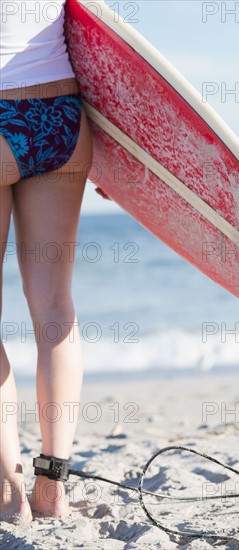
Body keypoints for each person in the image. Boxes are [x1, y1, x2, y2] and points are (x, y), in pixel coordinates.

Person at [0, 0, 93, 521]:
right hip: (63, 119)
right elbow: (102, 41)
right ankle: (52, 487)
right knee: (57, 310)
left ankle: (8, 493)